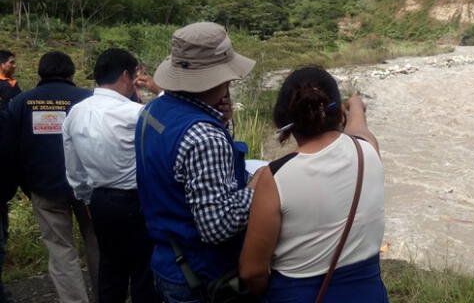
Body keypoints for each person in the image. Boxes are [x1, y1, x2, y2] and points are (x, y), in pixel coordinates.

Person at [239, 66, 388, 302]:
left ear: (283, 120)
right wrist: (356, 106)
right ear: (340, 113)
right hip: (367, 294)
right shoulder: (367, 150)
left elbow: (252, 271)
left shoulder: (275, 177)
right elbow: (359, 127)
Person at [135, 22, 256, 302]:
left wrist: (221, 121)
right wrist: (255, 191)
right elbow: (217, 226)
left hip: (167, 259)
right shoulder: (204, 136)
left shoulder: (153, 110)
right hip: (200, 274)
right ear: (215, 80)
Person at [63, 48, 161, 303]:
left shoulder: (75, 113)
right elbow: (168, 125)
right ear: (127, 75)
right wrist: (159, 91)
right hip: (136, 200)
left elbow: (73, 168)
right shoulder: (135, 113)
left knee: (110, 268)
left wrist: (86, 199)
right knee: (143, 270)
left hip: (100, 201)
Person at [6, 51, 98, 303]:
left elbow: (12, 149)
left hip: (43, 187)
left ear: (40, 73)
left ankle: (74, 300)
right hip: (90, 188)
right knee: (96, 242)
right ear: (71, 73)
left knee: (60, 250)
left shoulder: (22, 102)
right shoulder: (88, 98)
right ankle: (108, 295)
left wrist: (25, 185)